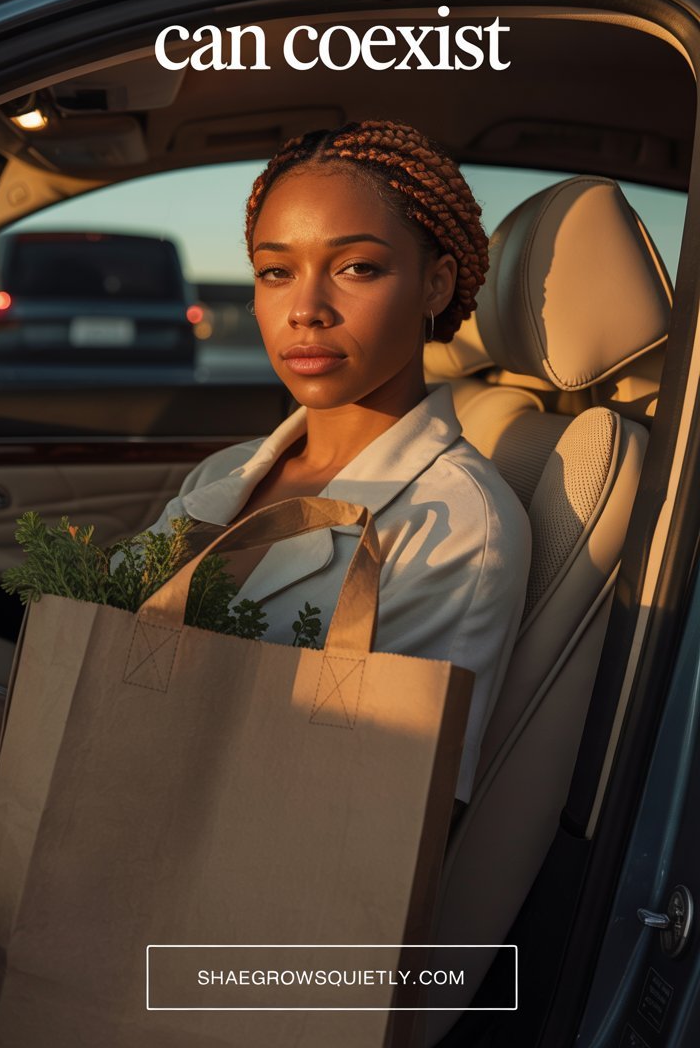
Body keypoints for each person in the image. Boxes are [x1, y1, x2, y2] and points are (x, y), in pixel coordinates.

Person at [147, 118, 532, 805]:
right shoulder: (226, 472)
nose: (305, 310)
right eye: (275, 271)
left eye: (357, 267)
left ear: (436, 286)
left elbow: (366, 803)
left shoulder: (457, 527)